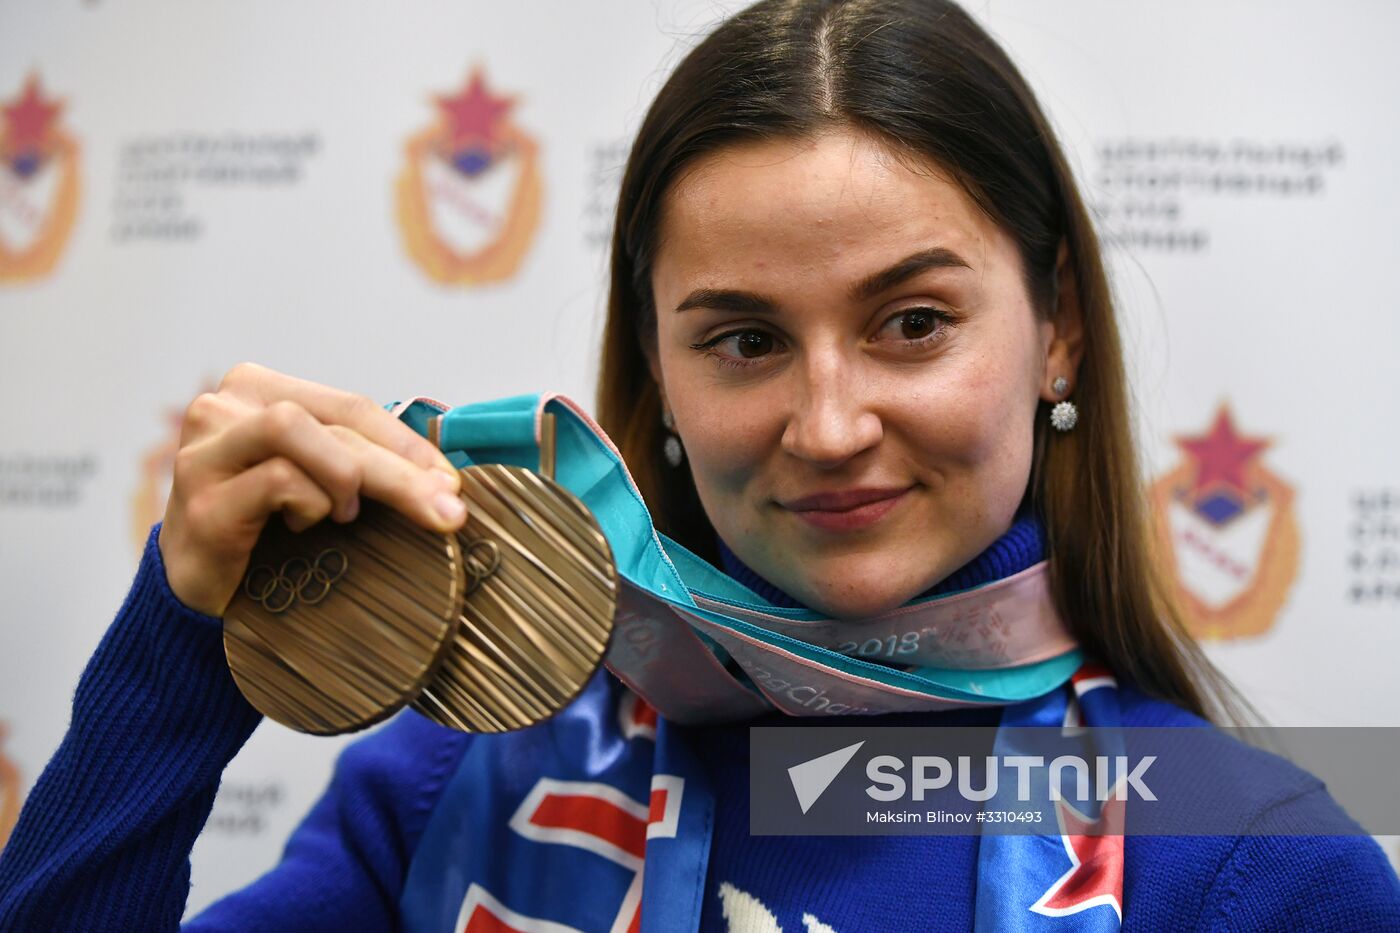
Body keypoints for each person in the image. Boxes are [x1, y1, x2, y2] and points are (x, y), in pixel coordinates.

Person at [2, 0, 1398, 930]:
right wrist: (184, 647)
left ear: (1058, 337)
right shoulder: (464, 778)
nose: (831, 422)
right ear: (657, 377)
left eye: (913, 323)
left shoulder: (1242, 855)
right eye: (742, 339)